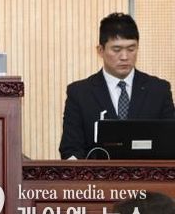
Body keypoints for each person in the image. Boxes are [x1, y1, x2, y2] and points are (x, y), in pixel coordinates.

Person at [59, 13, 174, 159]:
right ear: (100, 50)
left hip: (146, 173)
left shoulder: (159, 91)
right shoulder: (79, 93)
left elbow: (170, 144)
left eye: (131, 49)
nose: (125, 57)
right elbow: (70, 149)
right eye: (116, 50)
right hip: (97, 173)